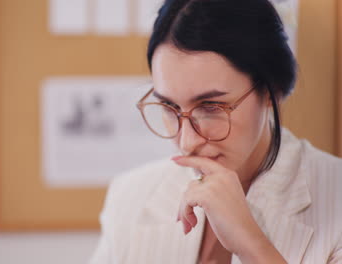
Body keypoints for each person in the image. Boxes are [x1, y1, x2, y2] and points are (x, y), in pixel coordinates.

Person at [89, 0, 342, 263]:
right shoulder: (130, 195)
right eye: (168, 106)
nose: (187, 142)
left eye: (210, 107)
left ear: (271, 91)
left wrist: (252, 245)